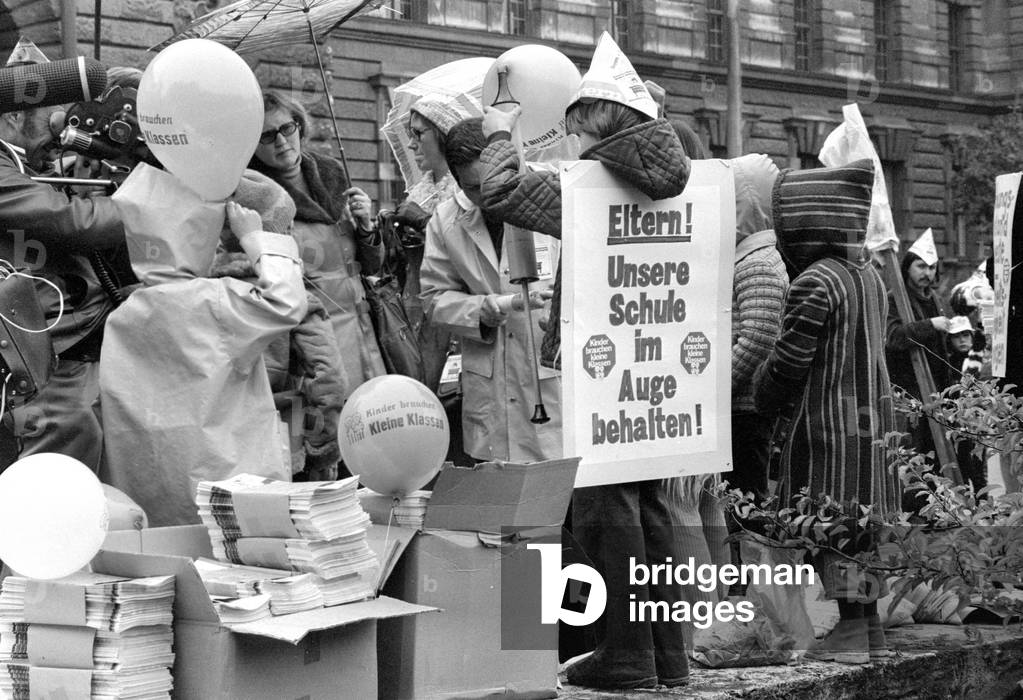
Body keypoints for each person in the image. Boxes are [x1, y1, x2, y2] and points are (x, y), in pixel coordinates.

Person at [481, 33, 691, 690]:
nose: (567, 142)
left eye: (573, 128)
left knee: (604, 511)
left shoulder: (591, 184)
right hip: (658, 370)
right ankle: (666, 657)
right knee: (650, 506)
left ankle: (625, 656)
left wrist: (498, 128)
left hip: (600, 368)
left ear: (595, 123)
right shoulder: (682, 179)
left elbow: (498, 186)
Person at [100, 167, 307, 526]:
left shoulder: (122, 316)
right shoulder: (215, 302)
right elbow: (287, 301)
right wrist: (257, 240)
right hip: (234, 492)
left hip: (152, 498)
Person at [754, 159, 899, 665]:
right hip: (872, 427)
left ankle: (853, 633)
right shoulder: (869, 278)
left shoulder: (817, 281)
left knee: (829, 527)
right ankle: (868, 628)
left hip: (826, 430)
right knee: (863, 530)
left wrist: (762, 393)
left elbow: (791, 359)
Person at [0, 39, 125, 472]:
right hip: (45, 361)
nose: (59, 131)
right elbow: (70, 222)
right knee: (57, 470)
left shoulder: (23, 165)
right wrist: (146, 207)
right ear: (14, 115)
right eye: (49, 120)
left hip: (61, 352)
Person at [419, 117, 562, 463]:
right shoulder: (445, 219)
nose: (488, 196)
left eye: (491, 181)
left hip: (550, 374)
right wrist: (490, 307)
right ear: (454, 179)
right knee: (502, 499)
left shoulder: (553, 189)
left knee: (560, 492)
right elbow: (435, 299)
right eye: (473, 188)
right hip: (491, 383)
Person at [249, 89, 385, 400]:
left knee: (375, 417)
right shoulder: (258, 194)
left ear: (299, 125)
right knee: (329, 422)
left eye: (287, 128)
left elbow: (373, 264)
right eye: (267, 136)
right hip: (314, 338)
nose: (282, 142)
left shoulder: (332, 174)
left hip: (365, 329)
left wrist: (366, 226)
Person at [885, 228, 951, 462]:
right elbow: (894, 337)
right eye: (921, 266)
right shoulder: (895, 299)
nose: (927, 273)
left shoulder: (935, 299)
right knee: (913, 456)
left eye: (931, 267)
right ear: (908, 268)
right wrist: (930, 325)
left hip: (936, 391)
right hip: (908, 390)